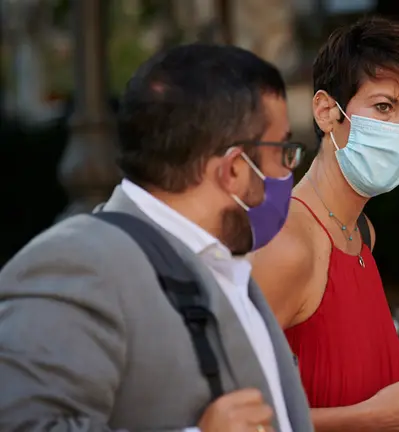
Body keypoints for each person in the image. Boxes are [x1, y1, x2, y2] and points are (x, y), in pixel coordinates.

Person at [0, 44, 313, 432]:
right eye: (284, 150)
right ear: (234, 168)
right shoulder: (75, 263)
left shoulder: (223, 262)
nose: (290, 168)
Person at [249, 16, 399, 432]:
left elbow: (354, 390)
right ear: (325, 111)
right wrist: (374, 417)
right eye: (384, 106)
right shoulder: (286, 240)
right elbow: (230, 414)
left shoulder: (362, 233)